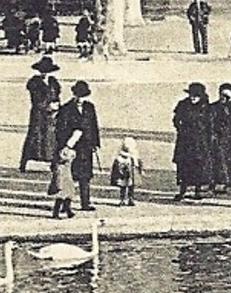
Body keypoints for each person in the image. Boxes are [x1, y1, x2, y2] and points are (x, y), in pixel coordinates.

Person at [55, 80, 102, 211]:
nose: (81, 99)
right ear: (74, 94)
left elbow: (94, 126)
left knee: (85, 176)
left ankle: (85, 203)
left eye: (83, 96)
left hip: (86, 148)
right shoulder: (66, 109)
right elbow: (61, 130)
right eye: (79, 95)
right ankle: (66, 204)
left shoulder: (90, 107)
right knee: (68, 178)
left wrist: (95, 143)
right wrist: (64, 146)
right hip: (72, 149)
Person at [172, 82, 216, 201]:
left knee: (199, 166)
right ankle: (182, 191)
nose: (193, 97)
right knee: (183, 166)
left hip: (200, 142)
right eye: (191, 95)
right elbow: (176, 119)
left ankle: (198, 190)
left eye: (196, 95)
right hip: (185, 141)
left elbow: (210, 125)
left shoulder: (206, 108)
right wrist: (181, 129)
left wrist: (209, 139)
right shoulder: (182, 105)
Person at [20, 56, 62, 171]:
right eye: (43, 71)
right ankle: (24, 162)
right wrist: (48, 106)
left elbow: (57, 97)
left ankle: (53, 162)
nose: (45, 73)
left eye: (47, 71)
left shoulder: (54, 82)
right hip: (38, 114)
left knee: (52, 137)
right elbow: (35, 100)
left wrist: (58, 106)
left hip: (52, 115)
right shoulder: (34, 83)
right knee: (34, 135)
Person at [110, 137, 143, 207]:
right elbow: (139, 165)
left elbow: (115, 166)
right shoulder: (134, 157)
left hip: (123, 175)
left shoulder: (120, 157)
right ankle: (130, 199)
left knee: (123, 187)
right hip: (130, 175)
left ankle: (123, 199)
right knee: (130, 187)